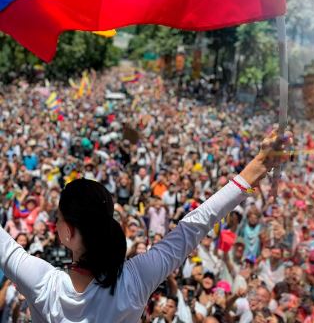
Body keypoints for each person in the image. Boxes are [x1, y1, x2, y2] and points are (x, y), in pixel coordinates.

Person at [0, 129, 292, 322]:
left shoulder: (43, 283)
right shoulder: (136, 279)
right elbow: (194, 226)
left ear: (68, 232)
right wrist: (259, 165)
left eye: (58, 219)